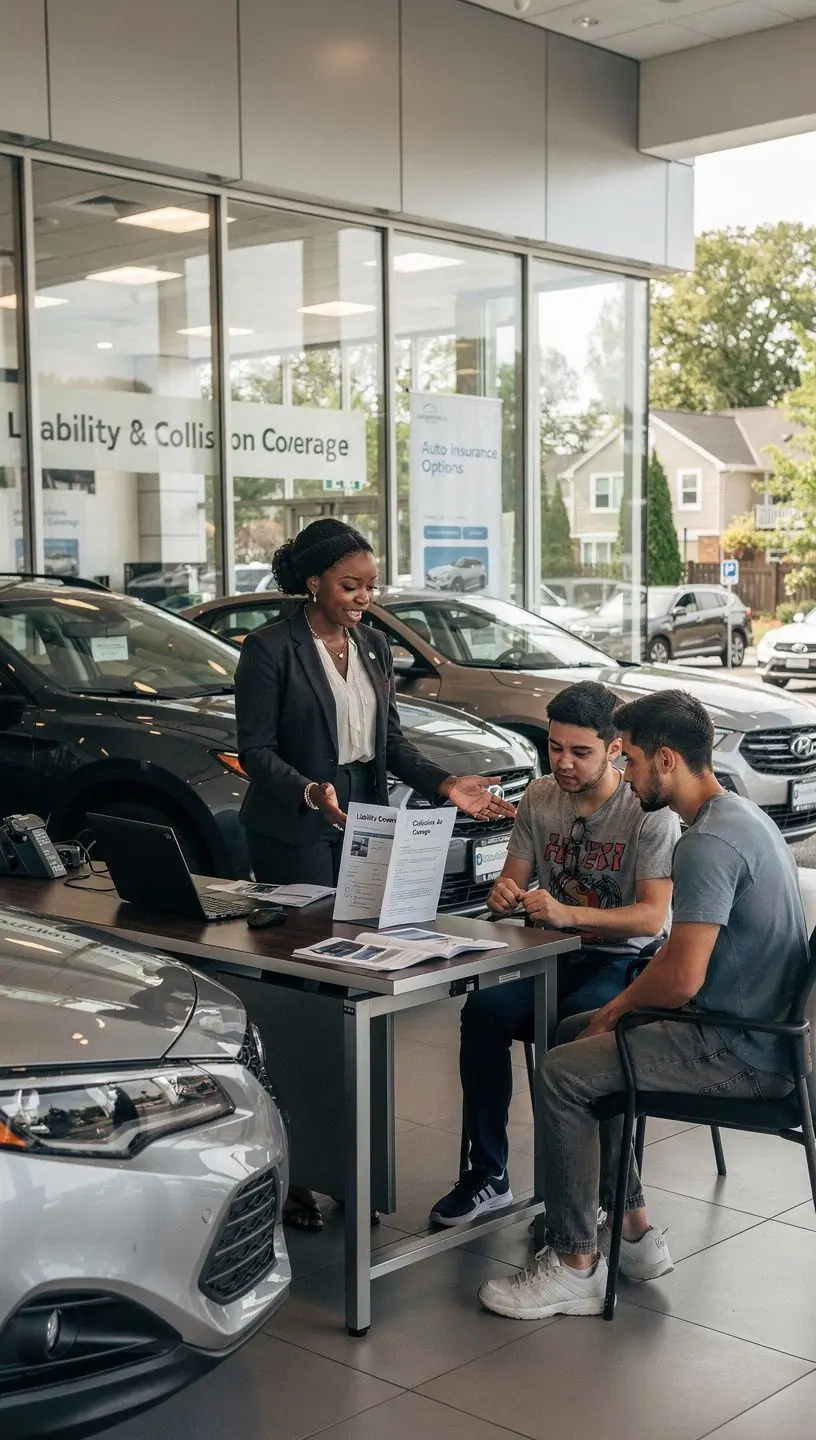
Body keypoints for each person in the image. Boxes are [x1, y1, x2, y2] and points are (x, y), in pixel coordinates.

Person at [477, 689, 810, 1321]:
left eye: (627, 760)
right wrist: (613, 1014)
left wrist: (619, 1009)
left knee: (562, 1070)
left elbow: (682, 978)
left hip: (740, 1050)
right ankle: (631, 1232)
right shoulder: (737, 816)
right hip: (758, 1029)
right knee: (579, 1031)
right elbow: (682, 955)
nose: (625, 776)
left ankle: (575, 1261)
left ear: (664, 760)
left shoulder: (706, 845)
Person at [234, 518, 515, 1229]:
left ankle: (348, 1163)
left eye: (370, 586)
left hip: (364, 826)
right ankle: (293, 1171)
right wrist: (307, 791)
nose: (364, 598)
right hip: (295, 832)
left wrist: (448, 785)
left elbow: (392, 745)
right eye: (350, 586)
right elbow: (255, 750)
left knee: (354, 992)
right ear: (313, 583)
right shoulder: (269, 650)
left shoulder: (374, 645)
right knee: (301, 997)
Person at [430, 681, 680, 1227]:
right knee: (482, 1012)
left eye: (579, 752)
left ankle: (584, 1198)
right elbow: (512, 886)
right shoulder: (540, 798)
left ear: (615, 749)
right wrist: (502, 896)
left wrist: (570, 914)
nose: (563, 763)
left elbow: (652, 916)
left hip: (622, 961)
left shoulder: (648, 810)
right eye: (555, 748)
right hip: (549, 955)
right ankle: (489, 1174)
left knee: (575, 1030)